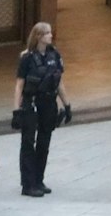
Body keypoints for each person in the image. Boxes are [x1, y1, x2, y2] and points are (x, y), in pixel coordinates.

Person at [11, 22, 75, 198]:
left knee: (44, 142)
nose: (50, 35)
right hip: (31, 103)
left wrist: (67, 105)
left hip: (48, 103)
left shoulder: (54, 55)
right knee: (28, 142)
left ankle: (39, 179)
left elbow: (59, 82)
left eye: (50, 32)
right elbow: (19, 85)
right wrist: (16, 111)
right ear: (38, 36)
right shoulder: (27, 58)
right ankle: (28, 183)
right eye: (46, 33)